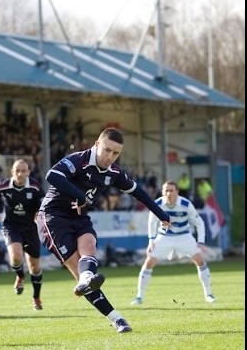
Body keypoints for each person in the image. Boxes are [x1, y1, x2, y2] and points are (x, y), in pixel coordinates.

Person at [36, 127, 171, 333]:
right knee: (78, 268)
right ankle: (116, 318)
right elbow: (52, 176)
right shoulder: (77, 160)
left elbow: (138, 193)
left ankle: (87, 282)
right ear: (97, 144)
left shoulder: (114, 172)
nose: (110, 157)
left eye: (116, 153)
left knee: (89, 248)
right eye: (107, 150)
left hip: (79, 217)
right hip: (53, 218)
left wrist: (161, 214)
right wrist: (79, 196)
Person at [130, 180, 216, 305]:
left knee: (200, 260)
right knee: (148, 262)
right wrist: (151, 241)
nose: (169, 193)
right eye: (166, 190)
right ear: (163, 192)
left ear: (177, 192)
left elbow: (199, 223)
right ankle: (139, 296)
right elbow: (151, 222)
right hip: (164, 237)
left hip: (184, 236)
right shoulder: (158, 203)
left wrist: (201, 242)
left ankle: (209, 294)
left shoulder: (185, 204)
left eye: (171, 190)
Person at [0, 159, 45, 310]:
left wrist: (38, 213)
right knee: (15, 257)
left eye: (23, 171)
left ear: (28, 172)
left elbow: (43, 203)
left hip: (31, 229)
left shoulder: (34, 186)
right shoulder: (2, 185)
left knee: (34, 267)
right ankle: (20, 276)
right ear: (12, 172)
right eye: (17, 170)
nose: (20, 174)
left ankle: (36, 297)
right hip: (11, 226)